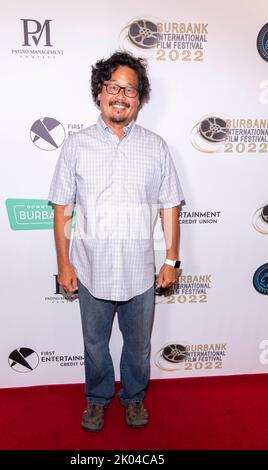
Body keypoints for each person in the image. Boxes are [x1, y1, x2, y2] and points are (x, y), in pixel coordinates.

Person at [48, 51, 184, 432]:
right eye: (114, 87)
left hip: (140, 272)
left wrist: (171, 260)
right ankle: (96, 399)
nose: (121, 95)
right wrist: (63, 263)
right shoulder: (76, 145)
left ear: (140, 99)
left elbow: (170, 205)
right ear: (99, 92)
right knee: (94, 345)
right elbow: (62, 209)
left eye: (131, 89)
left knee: (138, 347)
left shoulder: (156, 146)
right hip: (91, 268)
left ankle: (134, 397)